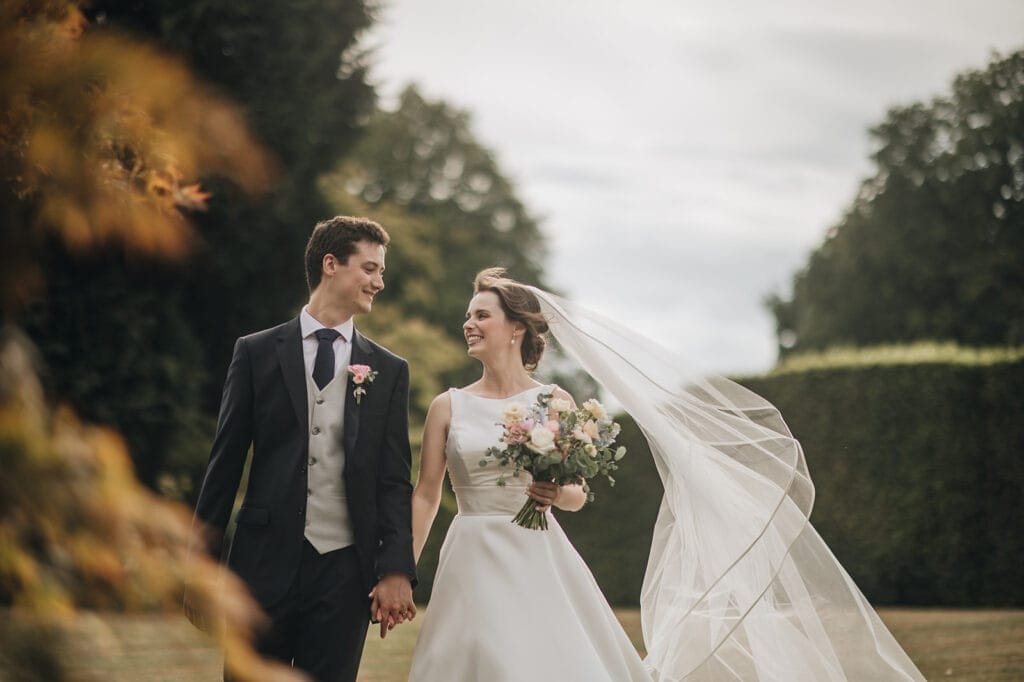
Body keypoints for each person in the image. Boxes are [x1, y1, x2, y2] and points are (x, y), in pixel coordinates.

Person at [408, 267, 925, 681]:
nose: (468, 324)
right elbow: (427, 495)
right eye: (468, 317)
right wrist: (402, 569)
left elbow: (576, 496)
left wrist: (554, 492)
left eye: (481, 315)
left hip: (536, 551)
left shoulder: (554, 402)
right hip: (471, 551)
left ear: (516, 326)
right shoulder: (447, 406)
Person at [189, 216, 417, 682]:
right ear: (330, 264)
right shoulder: (255, 353)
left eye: (381, 271)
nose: (379, 281)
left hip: (344, 575)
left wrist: (396, 567)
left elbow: (393, 480)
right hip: (260, 567)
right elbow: (225, 463)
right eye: (370, 269)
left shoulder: (389, 370)